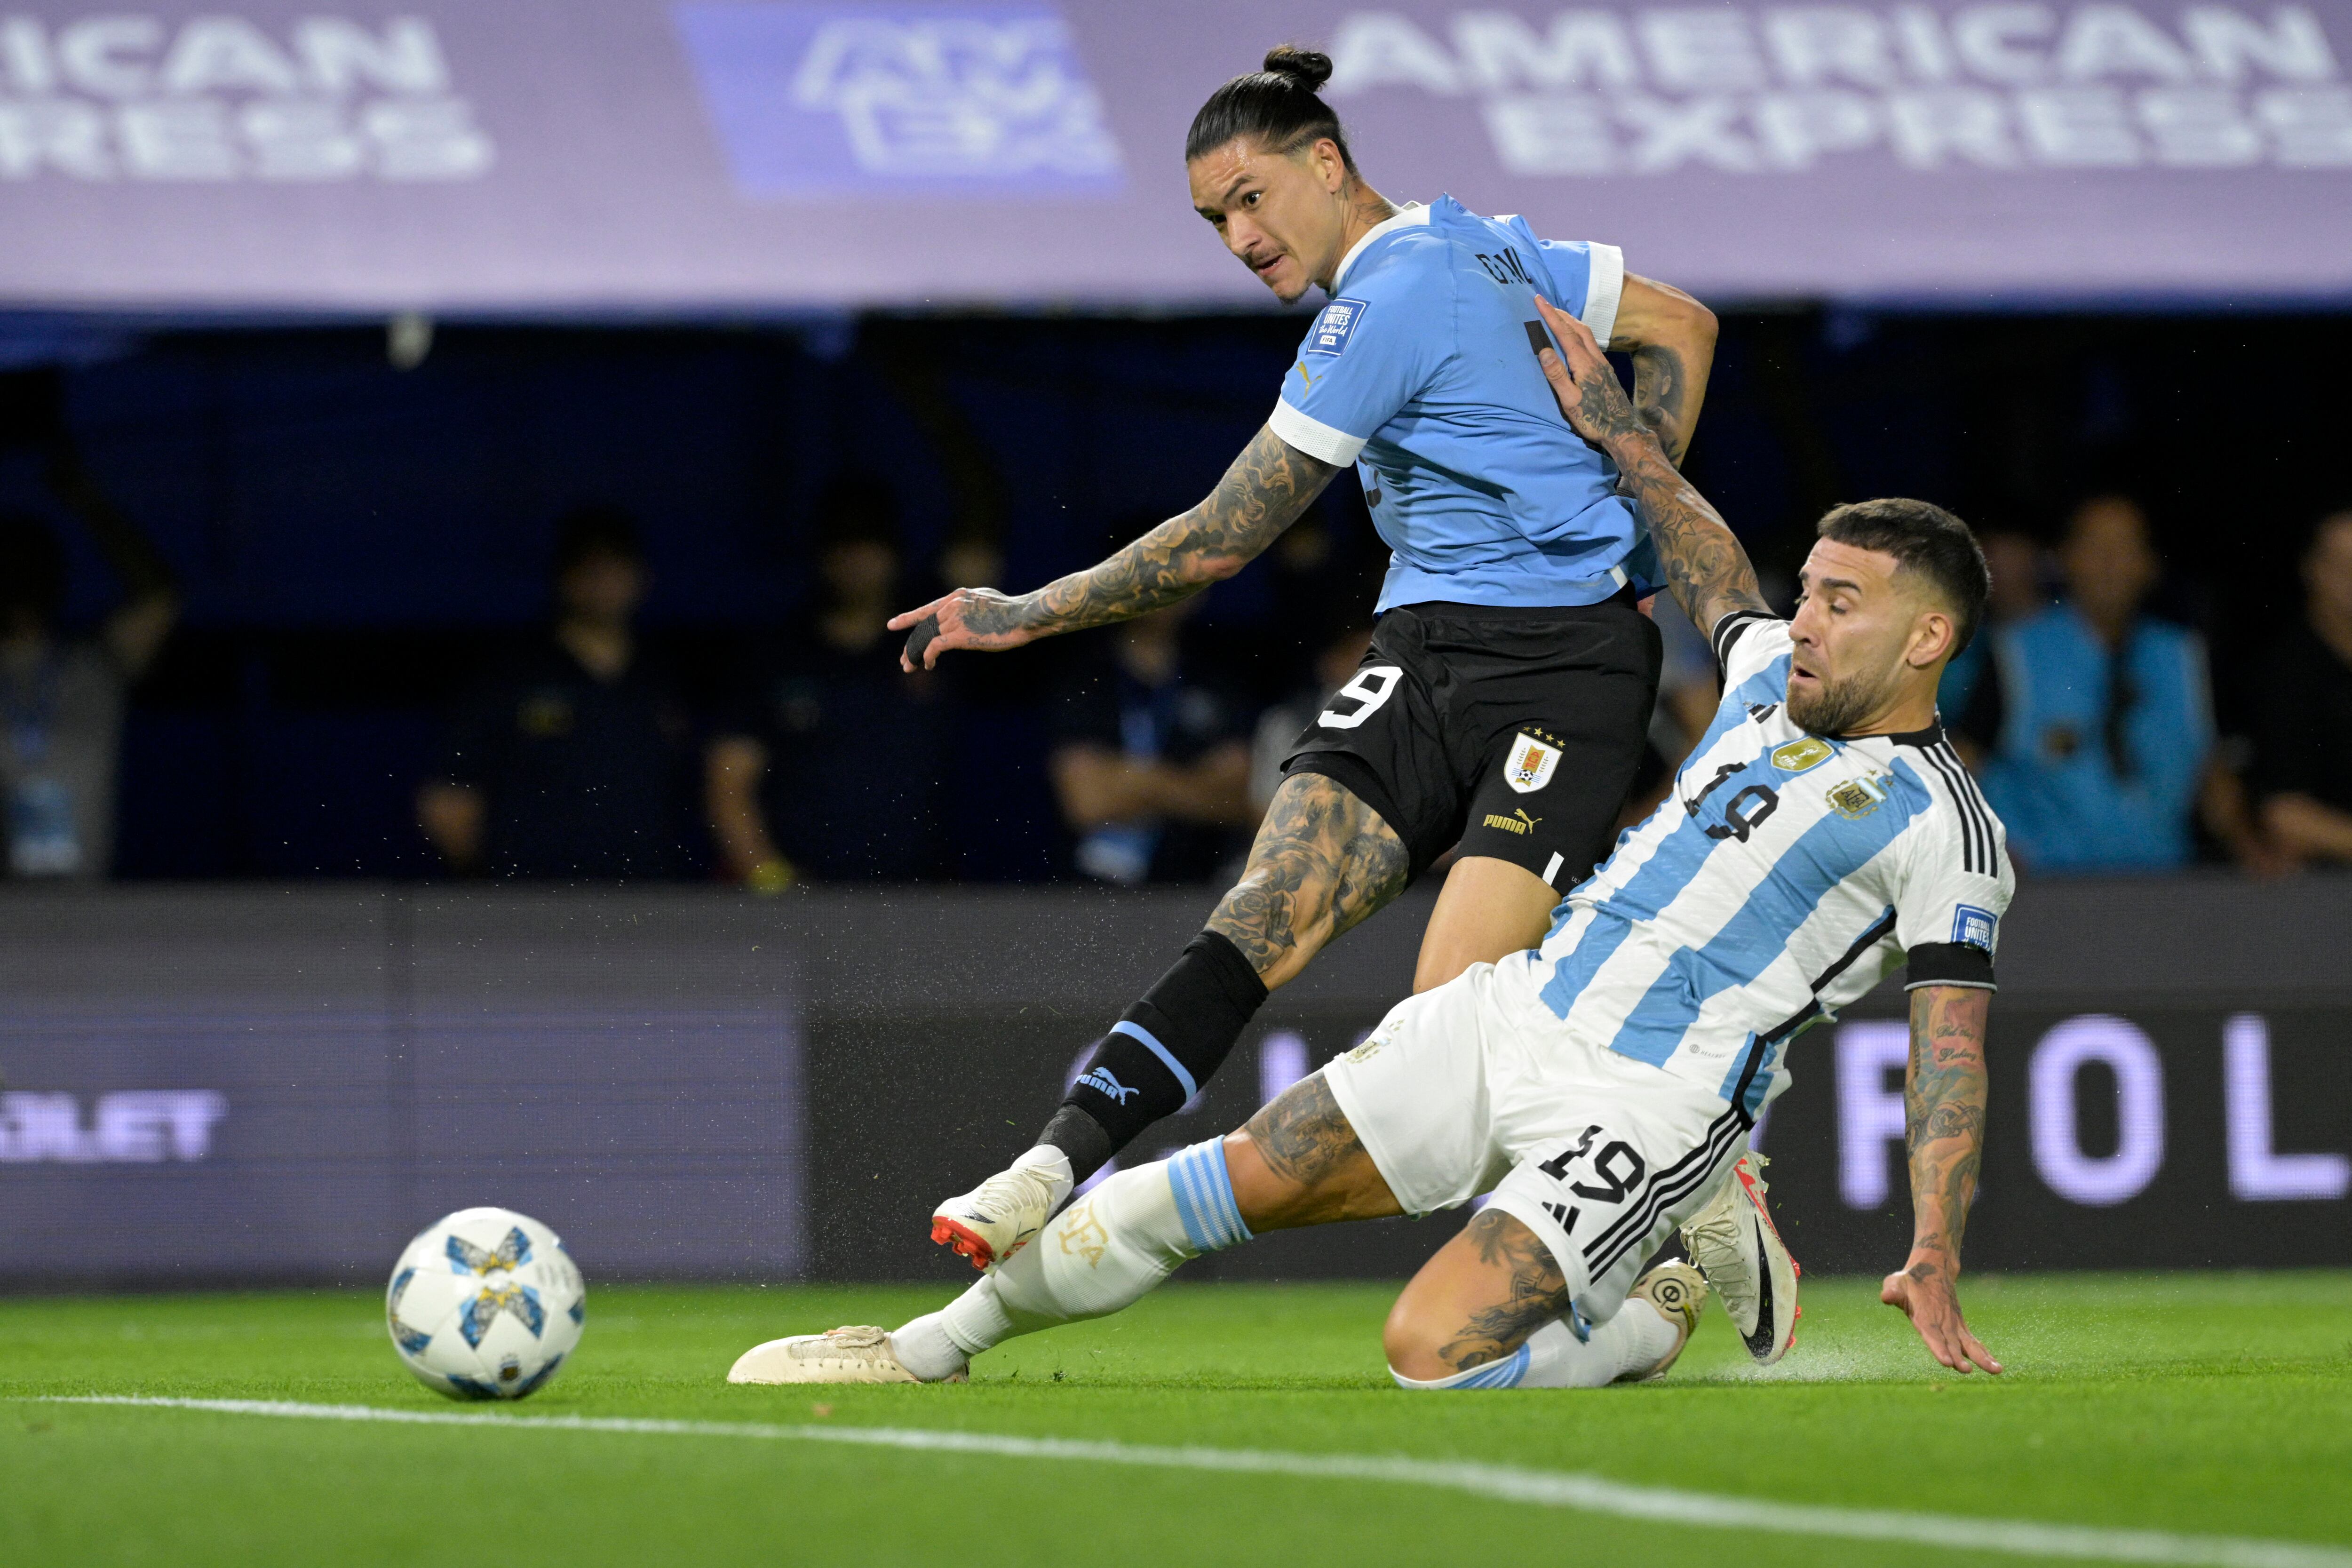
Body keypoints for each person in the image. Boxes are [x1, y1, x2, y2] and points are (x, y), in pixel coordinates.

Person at [729, 299, 2009, 1391]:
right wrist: (1618, 430)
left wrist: (1934, 1245)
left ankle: (1648, 1316)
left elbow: (1948, 1054)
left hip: (1651, 1097)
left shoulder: (1949, 825)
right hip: (1508, 1017)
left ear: (1926, 641)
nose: (1804, 623)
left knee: (1431, 1349)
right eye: (1809, 594)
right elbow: (1704, 552)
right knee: (1196, 1190)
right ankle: (919, 1347)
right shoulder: (1752, 687)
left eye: (1842, 604)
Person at [890, 46, 1722, 1271]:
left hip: (1566, 674)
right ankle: (1049, 1166)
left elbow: (1218, 543)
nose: (1236, 236)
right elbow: (1684, 326)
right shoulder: (1483, 241)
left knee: (1446, 1026)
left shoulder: (1381, 305)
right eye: (1212, 219)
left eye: (1251, 198)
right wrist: (1637, 500)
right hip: (1428, 650)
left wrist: (1021, 613)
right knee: (1260, 915)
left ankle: (1693, 1174)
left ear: (1326, 165)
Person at [1958, 495, 2265, 873]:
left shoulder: (2185, 657)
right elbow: (1957, 764)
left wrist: (2249, 845)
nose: (2110, 563)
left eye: (2126, 548)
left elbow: (2213, 774)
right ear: (2065, 558)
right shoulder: (2015, 654)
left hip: (2165, 889)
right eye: (2094, 547)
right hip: (2047, 892)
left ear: (2151, 565)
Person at [419, 506, 699, 880]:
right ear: (564, 578)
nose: (603, 582)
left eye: (617, 568)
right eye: (590, 569)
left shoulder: (662, 677)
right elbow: (447, 799)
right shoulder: (509, 675)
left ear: (642, 577)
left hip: (643, 903)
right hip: (531, 906)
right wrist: (490, 885)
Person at [707, 478, 951, 886]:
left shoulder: (938, 648)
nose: (855, 559)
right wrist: (770, 878)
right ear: (820, 555)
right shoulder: (775, 658)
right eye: (842, 544)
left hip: (922, 902)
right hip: (802, 905)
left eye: (870, 543)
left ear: (895, 554)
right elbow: (728, 785)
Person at [1050, 527, 1256, 884]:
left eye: (1179, 572)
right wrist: (1192, 787)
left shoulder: (1220, 681)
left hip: (1199, 891)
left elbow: (1234, 803)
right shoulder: (1083, 680)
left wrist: (1136, 782)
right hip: (1091, 897)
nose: (1165, 587)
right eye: (1150, 573)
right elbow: (1086, 803)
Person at [0, 506, 177, 879]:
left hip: (87, 908)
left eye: (31, 568)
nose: (20, 582)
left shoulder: (96, 662)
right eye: (9, 568)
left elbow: (160, 596)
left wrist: (85, 499)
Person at [2252, 508, 2352, 866]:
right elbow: (2284, 813)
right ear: (2312, 569)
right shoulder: (2286, 672)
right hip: (2319, 894)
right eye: (2340, 564)